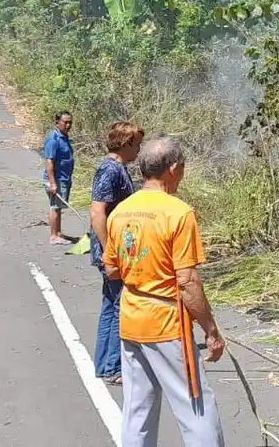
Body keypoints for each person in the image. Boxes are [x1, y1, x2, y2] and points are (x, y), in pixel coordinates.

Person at [103, 136, 226, 447]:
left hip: (131, 318)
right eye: (182, 168)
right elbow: (187, 282)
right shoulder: (178, 213)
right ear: (173, 169)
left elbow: (112, 269)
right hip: (167, 323)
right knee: (195, 405)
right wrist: (211, 330)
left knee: (137, 407)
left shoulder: (121, 212)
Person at [90, 121, 144, 386]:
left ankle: (105, 364)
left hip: (117, 248)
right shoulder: (110, 170)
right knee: (117, 306)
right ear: (126, 144)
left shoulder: (117, 169)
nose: (139, 149)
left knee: (111, 305)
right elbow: (97, 211)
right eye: (136, 144)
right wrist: (109, 248)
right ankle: (113, 367)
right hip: (112, 250)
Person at [42, 111, 75, 245]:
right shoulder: (53, 139)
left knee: (59, 207)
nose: (68, 125)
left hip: (64, 178)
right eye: (65, 122)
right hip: (56, 179)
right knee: (55, 206)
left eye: (70, 122)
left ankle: (58, 232)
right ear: (57, 123)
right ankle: (53, 236)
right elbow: (49, 162)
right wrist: (53, 183)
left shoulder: (64, 137)